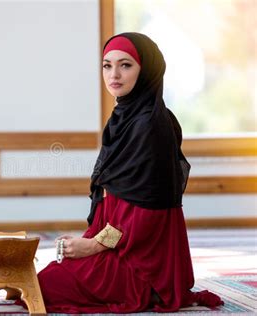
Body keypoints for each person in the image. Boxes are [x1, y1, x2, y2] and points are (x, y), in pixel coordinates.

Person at [36, 32, 224, 313]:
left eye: (125, 65)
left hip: (144, 262)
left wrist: (93, 247)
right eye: (107, 65)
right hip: (121, 243)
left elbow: (144, 216)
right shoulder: (125, 117)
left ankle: (152, 292)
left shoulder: (148, 125)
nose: (114, 74)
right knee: (47, 275)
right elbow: (118, 202)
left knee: (43, 285)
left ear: (145, 70)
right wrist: (89, 240)